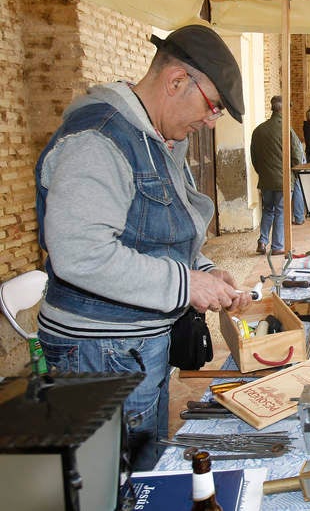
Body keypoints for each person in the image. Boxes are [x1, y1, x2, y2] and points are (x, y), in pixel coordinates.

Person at [34, 25, 251, 471]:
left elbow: (159, 229)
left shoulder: (157, 137)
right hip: (100, 352)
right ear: (176, 82)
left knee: (146, 467)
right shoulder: (100, 139)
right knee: (116, 481)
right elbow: (80, 253)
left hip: (132, 344)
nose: (211, 122)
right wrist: (185, 283)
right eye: (212, 107)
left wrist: (205, 270)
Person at [251, 95, 304, 254]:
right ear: (284, 109)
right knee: (281, 211)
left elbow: (254, 157)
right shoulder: (286, 130)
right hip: (283, 180)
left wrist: (262, 172)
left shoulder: (258, 130)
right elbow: (297, 156)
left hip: (266, 179)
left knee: (268, 210)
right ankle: (277, 246)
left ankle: (262, 241)